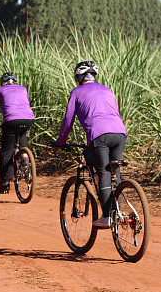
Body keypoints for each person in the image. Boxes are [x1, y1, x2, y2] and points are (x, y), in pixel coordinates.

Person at [53, 61, 126, 228]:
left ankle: (107, 217)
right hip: (120, 133)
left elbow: (68, 120)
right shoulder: (106, 89)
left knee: (104, 174)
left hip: (99, 135)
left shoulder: (77, 92)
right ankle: (118, 210)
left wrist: (61, 141)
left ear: (78, 77)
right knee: (115, 171)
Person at [0, 72, 36, 193]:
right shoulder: (23, 89)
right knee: (22, 135)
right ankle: (25, 159)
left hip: (11, 121)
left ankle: (5, 181)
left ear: (2, 82)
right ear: (14, 81)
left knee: (6, 151)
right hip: (29, 119)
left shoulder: (0, 90)